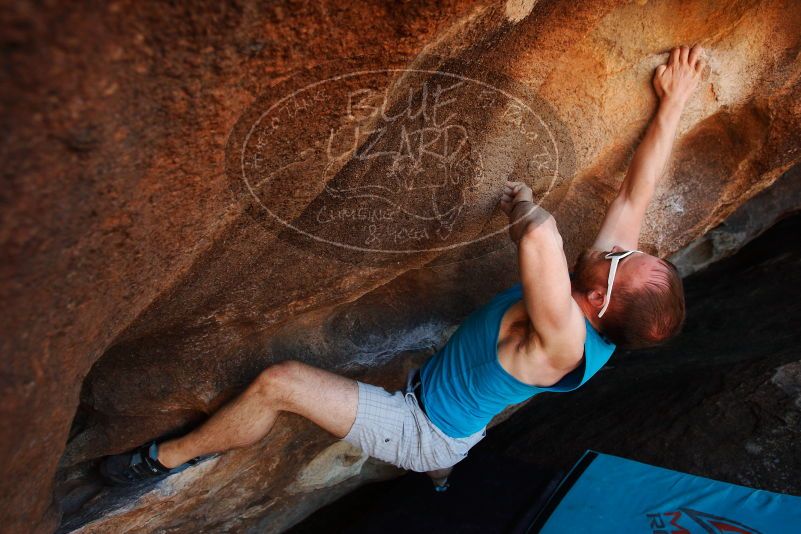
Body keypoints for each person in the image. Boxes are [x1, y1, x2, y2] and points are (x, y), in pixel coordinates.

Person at [101, 44, 704, 487]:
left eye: (622, 259)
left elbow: (540, 235)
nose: (618, 247)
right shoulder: (604, 292)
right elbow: (633, 198)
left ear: (601, 301)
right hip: (458, 427)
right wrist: (675, 101)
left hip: (417, 427)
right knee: (458, 443)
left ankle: (163, 460)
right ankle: (444, 477)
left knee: (278, 384)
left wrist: (519, 201)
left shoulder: (565, 338)